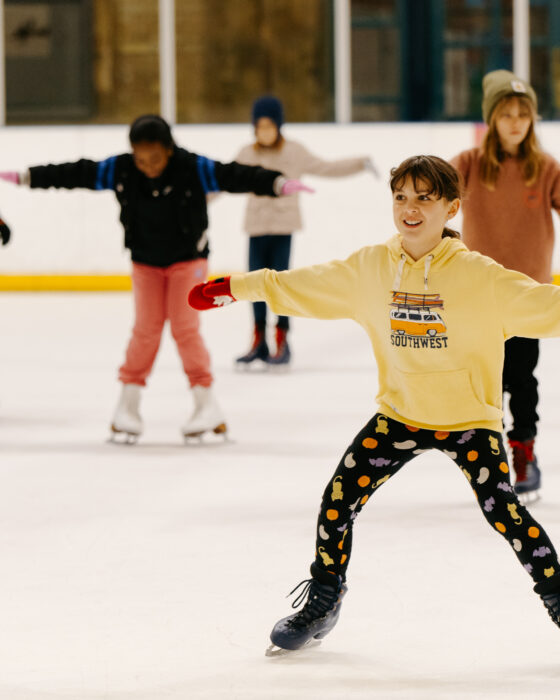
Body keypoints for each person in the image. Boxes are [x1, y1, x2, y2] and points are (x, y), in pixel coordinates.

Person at [189, 155, 560, 653]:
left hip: (469, 422)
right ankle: (324, 597)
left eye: (425, 198)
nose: (410, 209)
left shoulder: (482, 277)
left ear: (451, 207)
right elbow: (303, 285)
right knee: (337, 500)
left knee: (506, 516)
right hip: (400, 415)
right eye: (401, 197)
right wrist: (238, 287)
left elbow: (545, 306)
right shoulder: (371, 268)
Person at [0, 114, 310, 442]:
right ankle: (128, 406)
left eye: (155, 159)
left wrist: (276, 183)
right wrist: (28, 177)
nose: (147, 166)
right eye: (140, 159)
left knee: (184, 328)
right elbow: (78, 172)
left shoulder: (194, 168)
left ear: (169, 150)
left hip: (188, 261)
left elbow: (233, 175)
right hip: (145, 262)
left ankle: (206, 404)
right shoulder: (121, 170)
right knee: (145, 330)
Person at [451, 70, 560, 501]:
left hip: (528, 297)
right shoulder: (470, 164)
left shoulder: (545, 167)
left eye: (523, 114)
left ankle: (524, 451)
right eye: (506, 113)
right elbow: (435, 197)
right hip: (478, 294)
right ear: (491, 119)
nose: (515, 121)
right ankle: (488, 454)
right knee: (485, 380)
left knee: (523, 376)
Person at [233, 95, 377, 367]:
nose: (264, 132)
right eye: (259, 127)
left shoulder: (294, 152)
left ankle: (282, 339)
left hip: (283, 228)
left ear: (278, 126)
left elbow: (328, 168)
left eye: (269, 126)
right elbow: (224, 181)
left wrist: (360, 163)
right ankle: (258, 340)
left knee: (280, 286)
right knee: (253, 285)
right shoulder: (246, 154)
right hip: (256, 228)